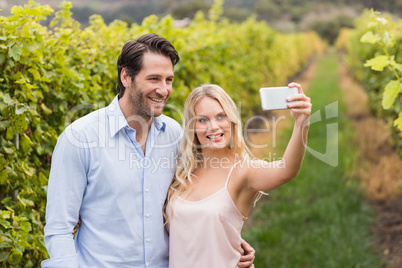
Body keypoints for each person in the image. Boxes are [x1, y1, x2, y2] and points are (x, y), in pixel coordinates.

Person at [42, 33, 255, 267]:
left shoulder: (175, 136)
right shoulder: (81, 138)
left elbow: (202, 199)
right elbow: (59, 227)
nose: (163, 90)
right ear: (126, 77)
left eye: (168, 80)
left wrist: (227, 239)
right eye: (154, 79)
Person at [165, 83, 311, 268]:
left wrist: (301, 123)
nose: (213, 126)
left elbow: (285, 170)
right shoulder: (182, 171)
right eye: (202, 120)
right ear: (192, 126)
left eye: (221, 116)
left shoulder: (243, 171)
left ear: (231, 120)